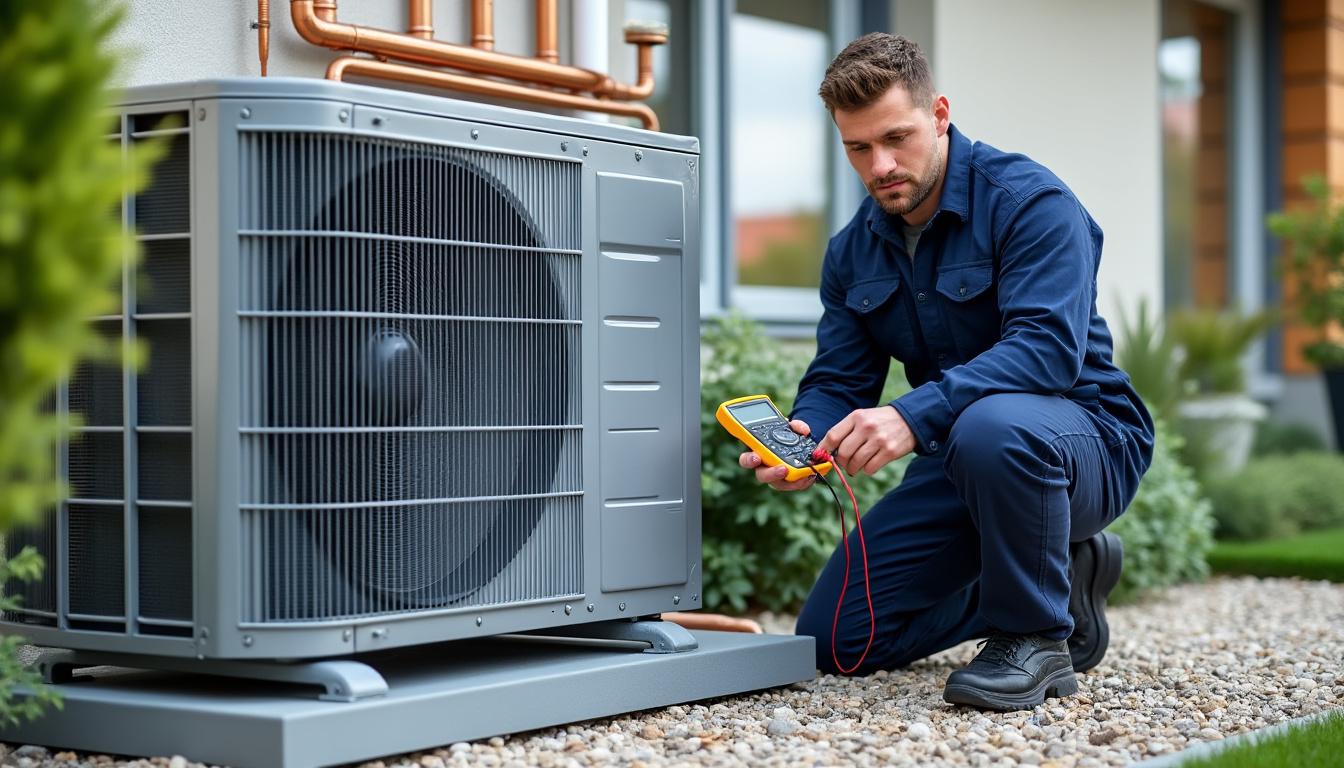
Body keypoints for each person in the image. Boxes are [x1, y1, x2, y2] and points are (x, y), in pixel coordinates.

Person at [736, 33, 1155, 711]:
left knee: (993, 427)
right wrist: (804, 437)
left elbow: (1047, 349)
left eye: (896, 137)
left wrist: (909, 416)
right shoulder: (852, 252)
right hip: (961, 459)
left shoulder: (1031, 203)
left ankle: (1036, 638)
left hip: (1083, 444)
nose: (881, 165)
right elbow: (841, 378)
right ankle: (1062, 578)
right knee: (836, 640)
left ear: (939, 115)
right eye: (858, 148)